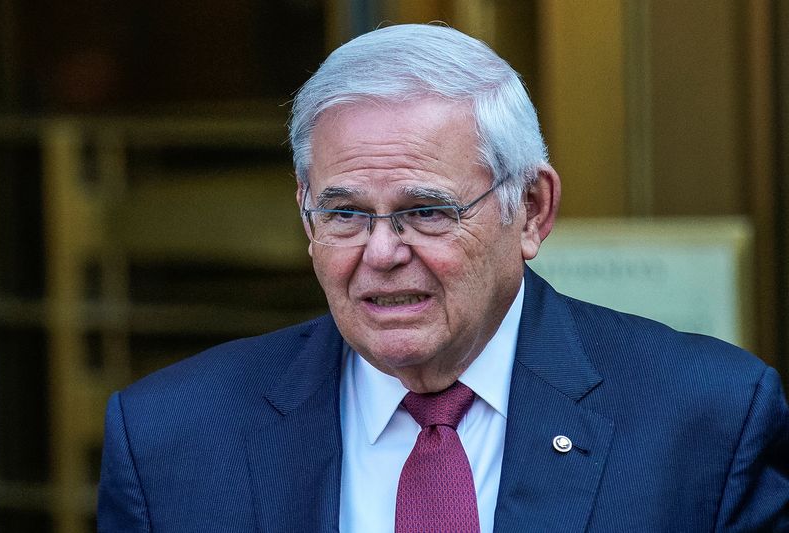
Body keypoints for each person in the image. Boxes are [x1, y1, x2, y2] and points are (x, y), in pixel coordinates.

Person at [98, 24, 789, 532]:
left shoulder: (704, 422)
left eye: (426, 211)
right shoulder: (171, 440)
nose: (381, 252)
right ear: (306, 218)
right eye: (344, 214)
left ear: (532, 210)